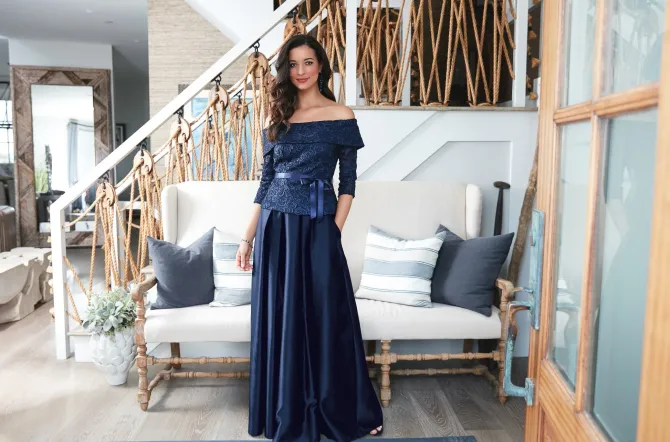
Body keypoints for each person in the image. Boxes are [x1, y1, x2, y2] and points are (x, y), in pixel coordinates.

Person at [236, 34, 384, 442]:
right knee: (282, 317)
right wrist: (247, 239)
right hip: (276, 230)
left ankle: (345, 409)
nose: (301, 71)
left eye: (308, 62)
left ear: (321, 67)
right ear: (286, 70)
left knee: (329, 315)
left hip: (319, 225)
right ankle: (286, 410)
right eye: (293, 64)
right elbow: (265, 183)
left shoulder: (341, 115)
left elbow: (348, 182)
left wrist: (333, 230)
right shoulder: (277, 118)